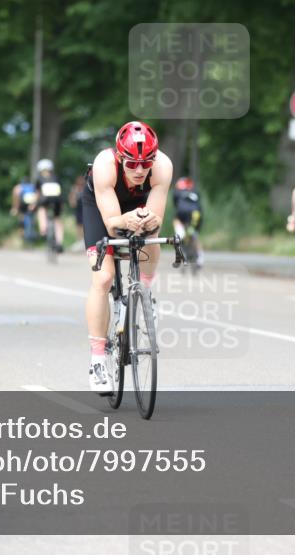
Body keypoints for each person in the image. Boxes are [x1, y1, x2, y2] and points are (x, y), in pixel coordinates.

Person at [82, 121, 171, 394]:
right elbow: (112, 225)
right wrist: (124, 220)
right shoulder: (104, 165)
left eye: (146, 163)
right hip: (102, 208)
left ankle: (144, 291)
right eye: (132, 164)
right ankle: (98, 361)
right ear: (121, 158)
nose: (140, 170)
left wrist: (147, 221)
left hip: (138, 204)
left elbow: (156, 221)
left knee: (151, 237)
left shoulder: (163, 166)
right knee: (104, 277)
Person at [172, 176, 204, 266]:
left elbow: (176, 205)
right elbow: (199, 205)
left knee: (176, 220)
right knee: (194, 236)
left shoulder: (176, 192)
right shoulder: (195, 191)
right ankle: (200, 257)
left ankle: (180, 234)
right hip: (196, 214)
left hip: (182, 212)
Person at [34, 158, 64, 252]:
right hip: (57, 200)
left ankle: (43, 230)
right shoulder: (56, 178)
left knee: (41, 210)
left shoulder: (39, 178)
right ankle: (59, 243)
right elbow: (60, 191)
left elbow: (37, 193)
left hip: (45, 200)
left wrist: (34, 204)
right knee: (57, 220)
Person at [10, 177, 38, 243]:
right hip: (32, 205)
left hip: (22, 205)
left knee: (21, 219)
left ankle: (23, 235)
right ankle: (31, 233)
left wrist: (15, 208)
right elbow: (37, 195)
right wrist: (34, 205)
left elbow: (16, 198)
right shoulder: (33, 187)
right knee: (31, 218)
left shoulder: (18, 187)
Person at [68, 175, 86, 241]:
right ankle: (79, 239)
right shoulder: (74, 189)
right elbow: (72, 202)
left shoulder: (85, 189)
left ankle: (84, 239)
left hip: (85, 209)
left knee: (85, 225)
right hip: (78, 210)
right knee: (79, 225)